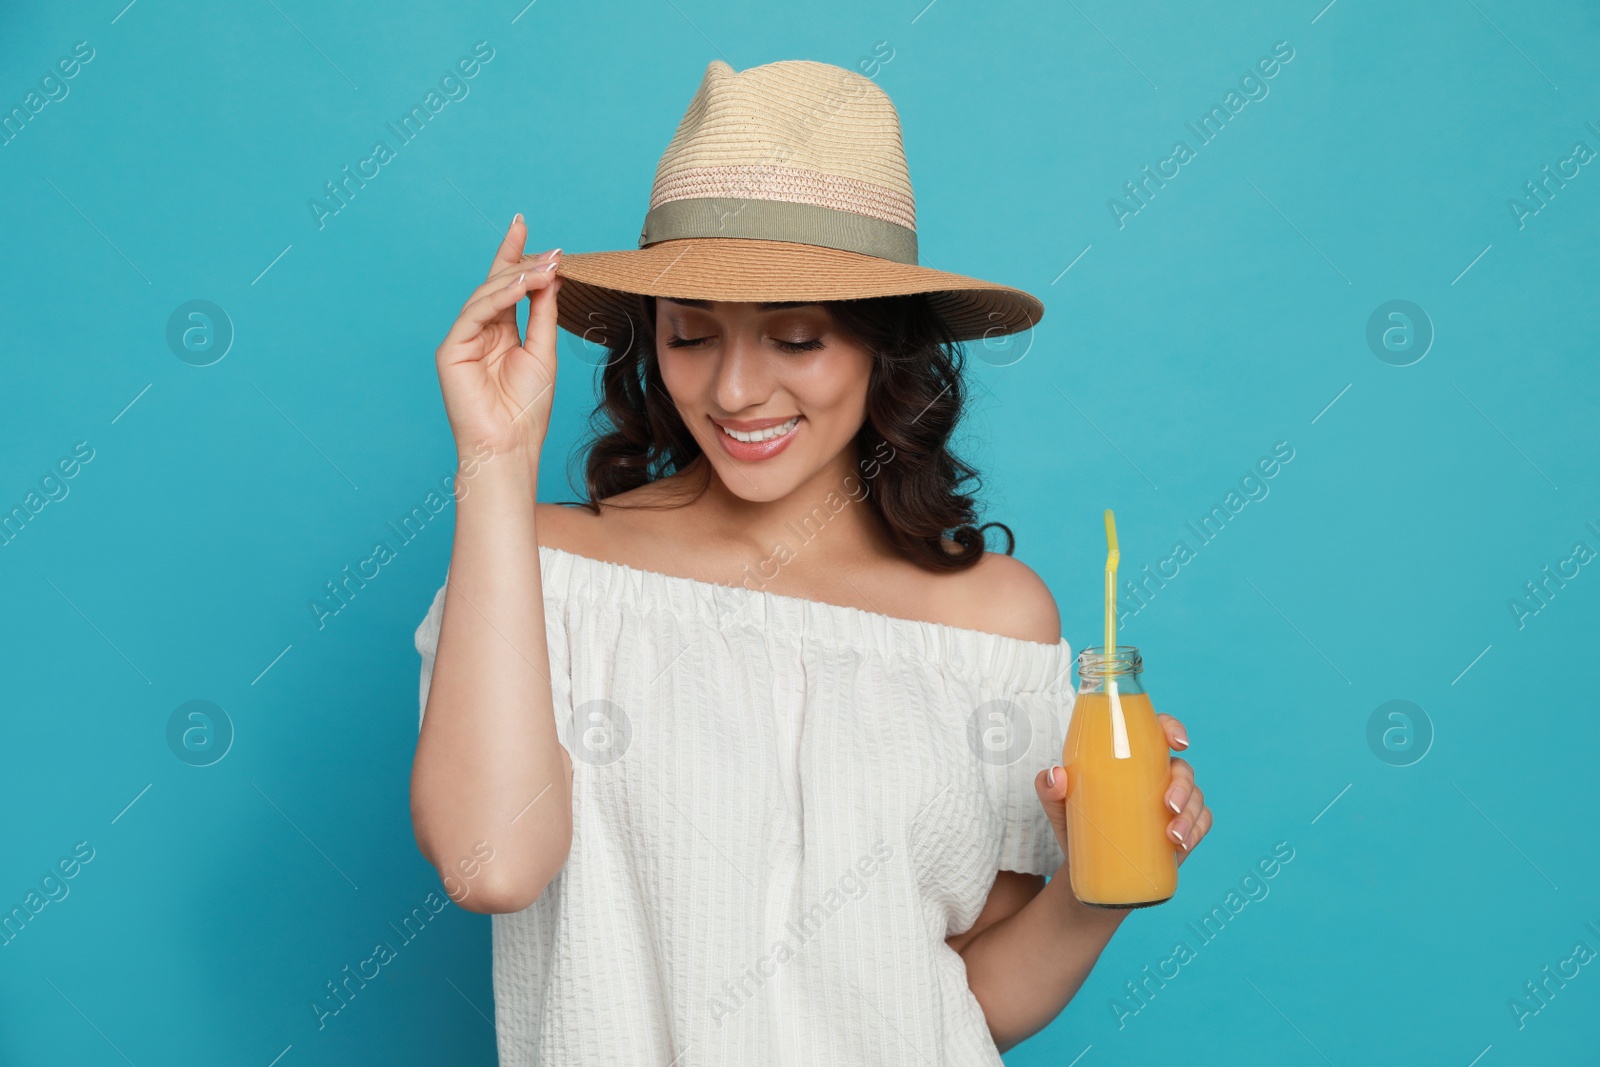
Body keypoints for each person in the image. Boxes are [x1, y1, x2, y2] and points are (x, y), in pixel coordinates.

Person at [409, 57, 1211, 1066]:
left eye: (795, 338)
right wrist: (492, 463)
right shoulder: (549, 569)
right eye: (690, 335)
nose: (736, 389)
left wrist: (1098, 885)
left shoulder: (992, 624)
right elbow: (492, 863)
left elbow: (964, 995)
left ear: (887, 348)